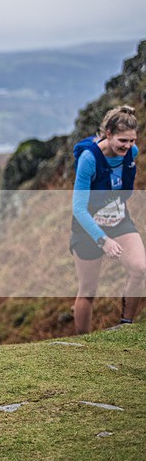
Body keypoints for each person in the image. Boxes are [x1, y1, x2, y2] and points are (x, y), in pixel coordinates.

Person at [71, 105, 145, 333]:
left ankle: (126, 326)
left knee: (140, 269)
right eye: (123, 140)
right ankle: (81, 343)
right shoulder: (89, 159)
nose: (128, 146)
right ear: (108, 134)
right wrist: (103, 240)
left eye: (132, 141)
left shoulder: (130, 154)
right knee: (88, 290)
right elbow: (78, 208)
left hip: (119, 220)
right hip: (88, 227)